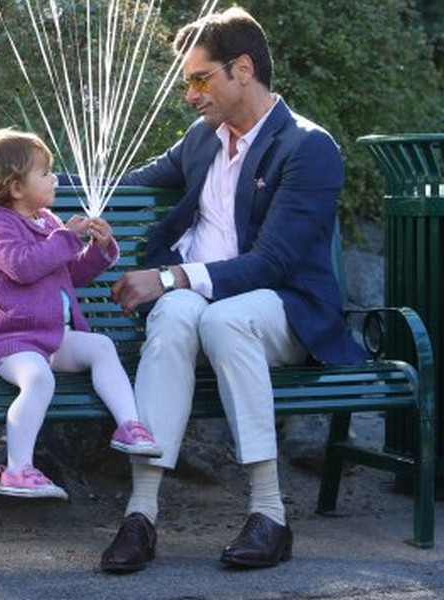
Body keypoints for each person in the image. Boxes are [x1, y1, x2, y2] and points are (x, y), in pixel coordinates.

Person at [100, 7, 367, 572]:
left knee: (221, 317)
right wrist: (28, 184)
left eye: (201, 80)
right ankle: (140, 514)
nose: (190, 95)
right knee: (172, 316)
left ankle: (270, 513)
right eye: (187, 83)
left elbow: (272, 262)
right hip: (199, 306)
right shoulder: (201, 141)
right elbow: (129, 183)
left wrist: (170, 277)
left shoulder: (308, 147)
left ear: (242, 69)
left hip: (284, 308)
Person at [0, 128, 161, 501]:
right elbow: (22, 266)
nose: (54, 179)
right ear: (15, 187)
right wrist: (66, 238)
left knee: (101, 346)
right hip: (12, 340)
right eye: (45, 172)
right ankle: (18, 469)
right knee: (38, 379)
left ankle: (130, 426)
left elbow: (70, 274)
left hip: (54, 336)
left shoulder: (47, 221)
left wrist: (98, 249)